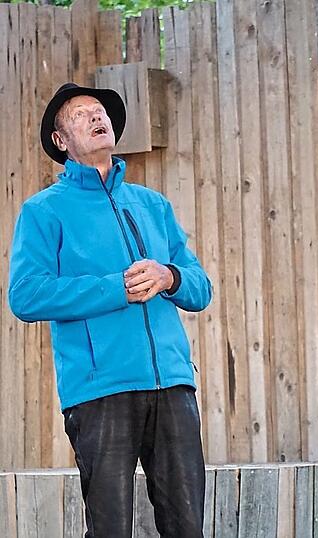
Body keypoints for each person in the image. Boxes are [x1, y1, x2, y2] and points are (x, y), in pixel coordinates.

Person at [8, 82, 212, 536]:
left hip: (173, 387)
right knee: (110, 529)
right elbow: (25, 295)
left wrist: (169, 277)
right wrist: (115, 288)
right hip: (99, 392)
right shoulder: (44, 212)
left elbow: (200, 287)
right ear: (61, 142)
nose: (97, 117)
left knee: (187, 527)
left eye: (99, 111)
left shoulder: (152, 205)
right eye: (81, 115)